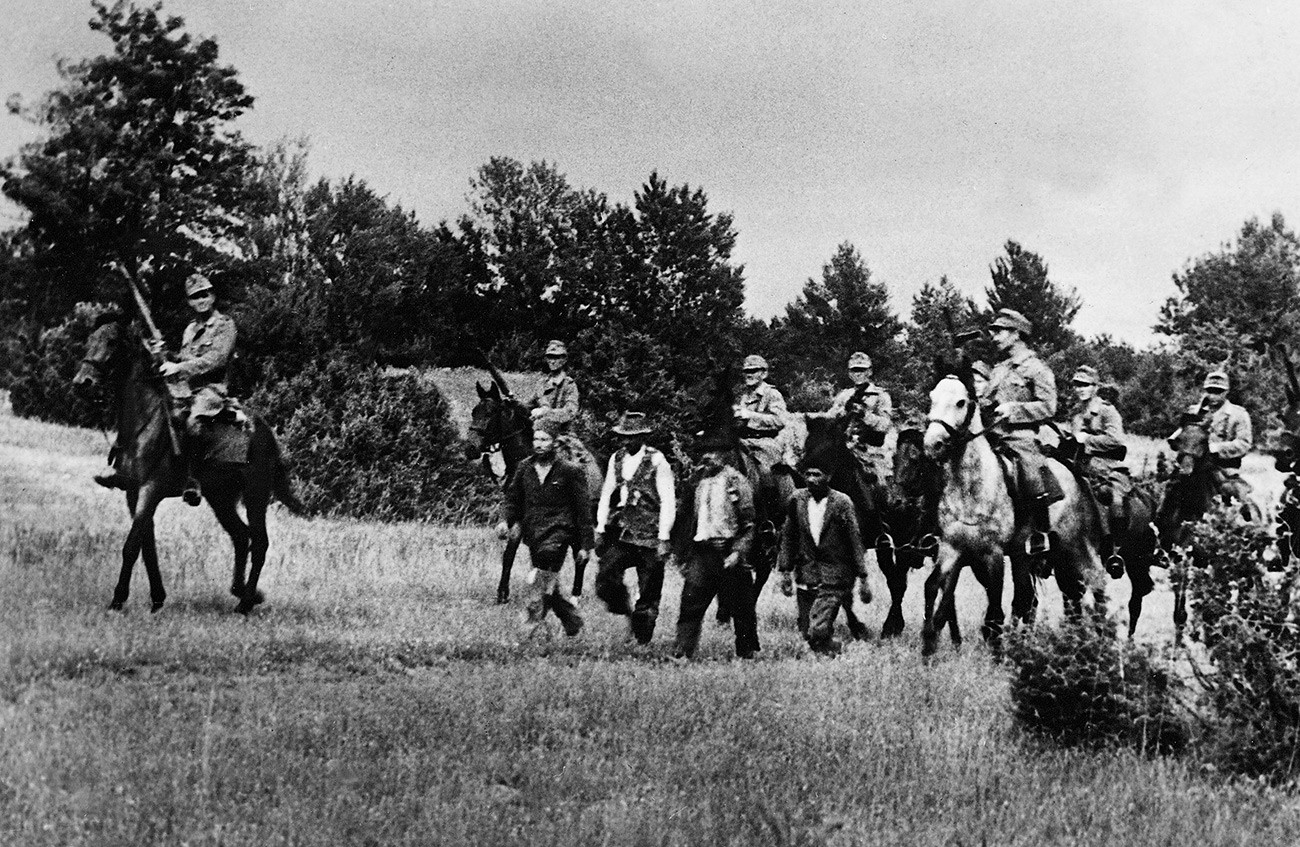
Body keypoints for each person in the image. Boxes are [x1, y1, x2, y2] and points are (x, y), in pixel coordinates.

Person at [94, 272, 237, 505]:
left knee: (192, 422)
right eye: (195, 297)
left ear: (212, 296)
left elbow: (215, 359)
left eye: (204, 295)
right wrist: (162, 354)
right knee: (145, 413)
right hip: (183, 388)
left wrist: (179, 366)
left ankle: (193, 480)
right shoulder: (190, 329)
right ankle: (122, 467)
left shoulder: (224, 325)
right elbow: (181, 357)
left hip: (211, 390)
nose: (201, 300)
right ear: (190, 301)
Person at [670, 432, 758, 660]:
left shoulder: (737, 481)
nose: (708, 457)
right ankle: (683, 650)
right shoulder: (697, 481)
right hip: (702, 551)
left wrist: (738, 551)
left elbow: (748, 524)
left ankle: (746, 652)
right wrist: (682, 554)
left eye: (714, 453)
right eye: (704, 453)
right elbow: (685, 517)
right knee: (690, 601)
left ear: (725, 455)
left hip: (728, 550)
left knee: (741, 605)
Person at [502, 422, 593, 637]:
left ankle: (532, 624)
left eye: (544, 440)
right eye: (536, 439)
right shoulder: (524, 467)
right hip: (534, 532)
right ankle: (570, 618)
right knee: (546, 579)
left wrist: (586, 545)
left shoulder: (570, 470)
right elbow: (512, 499)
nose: (539, 444)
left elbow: (583, 509)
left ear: (554, 442)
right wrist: (505, 521)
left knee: (542, 572)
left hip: (560, 531)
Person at [776, 453, 873, 656]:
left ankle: (833, 648)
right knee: (807, 633)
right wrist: (785, 570)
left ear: (828, 477)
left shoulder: (841, 503)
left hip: (834, 575)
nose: (811, 479)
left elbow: (854, 540)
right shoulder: (796, 500)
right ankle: (832, 653)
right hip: (806, 573)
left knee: (817, 629)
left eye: (817, 474)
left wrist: (863, 576)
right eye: (808, 474)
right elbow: (789, 536)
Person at [981, 308, 1059, 558]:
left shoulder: (1037, 369)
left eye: (1000, 331)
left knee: (1030, 471)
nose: (994, 336)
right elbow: (986, 401)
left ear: (1016, 334)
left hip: (1021, 436)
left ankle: (1040, 532)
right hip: (992, 436)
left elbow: (1049, 407)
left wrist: (1014, 409)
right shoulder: (999, 369)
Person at [594, 411, 676, 644]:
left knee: (649, 590)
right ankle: (627, 610)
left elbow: (668, 500)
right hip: (623, 530)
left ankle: (642, 638)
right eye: (623, 437)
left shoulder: (658, 461)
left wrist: (663, 537)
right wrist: (600, 527)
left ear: (642, 436)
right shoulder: (616, 458)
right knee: (606, 578)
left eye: (631, 437)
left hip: (650, 533)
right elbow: (607, 492)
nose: (626, 441)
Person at [1069, 365, 1128, 573]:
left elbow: (1116, 440)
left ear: (1095, 387)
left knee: (1115, 499)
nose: (1080, 389)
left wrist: (1088, 440)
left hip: (1108, 469)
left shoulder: (1107, 410)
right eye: (1077, 385)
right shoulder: (1076, 413)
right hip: (1081, 468)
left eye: (1085, 385)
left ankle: (1115, 551)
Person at [807, 351, 894, 483]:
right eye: (854, 371)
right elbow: (830, 419)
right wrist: (843, 411)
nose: (858, 374)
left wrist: (864, 414)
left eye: (862, 370)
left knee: (880, 484)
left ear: (869, 372)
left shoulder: (880, 396)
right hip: (842, 447)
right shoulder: (844, 396)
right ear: (849, 374)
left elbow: (885, 425)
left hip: (870, 450)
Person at [1190, 370, 1258, 514]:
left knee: (1238, 502)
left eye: (1218, 391)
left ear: (1226, 392)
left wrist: (1215, 448)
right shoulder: (1194, 412)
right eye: (1210, 391)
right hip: (1194, 466)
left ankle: (1243, 529)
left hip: (1224, 469)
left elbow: (1244, 443)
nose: (1213, 395)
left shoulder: (1238, 414)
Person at [735, 354, 792, 507]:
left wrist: (750, 416)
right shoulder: (744, 396)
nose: (749, 374)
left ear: (764, 373)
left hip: (766, 442)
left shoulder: (772, 394)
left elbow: (780, 420)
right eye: (746, 371)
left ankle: (772, 512)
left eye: (754, 370)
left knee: (767, 473)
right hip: (744, 442)